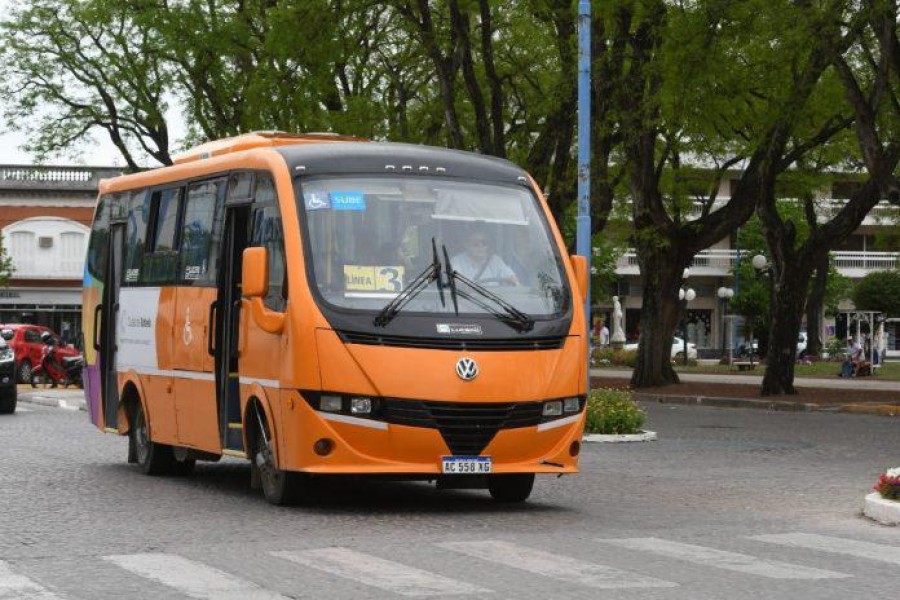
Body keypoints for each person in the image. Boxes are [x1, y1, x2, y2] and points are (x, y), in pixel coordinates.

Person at [451, 230, 519, 286]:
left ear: (488, 245)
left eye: (484, 243)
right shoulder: (457, 261)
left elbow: (512, 279)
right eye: (475, 243)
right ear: (466, 244)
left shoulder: (495, 260)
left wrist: (513, 281)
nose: (480, 246)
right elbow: (457, 282)